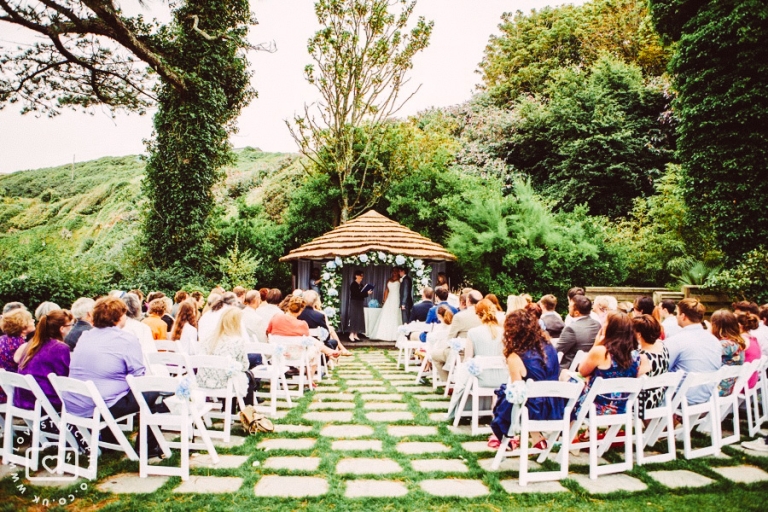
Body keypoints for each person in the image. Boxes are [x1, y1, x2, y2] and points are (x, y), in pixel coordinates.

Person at [66, 296, 168, 458]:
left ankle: (110, 441)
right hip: (99, 406)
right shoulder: (126, 339)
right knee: (155, 393)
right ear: (120, 317)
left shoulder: (86, 336)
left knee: (111, 390)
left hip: (76, 403)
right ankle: (147, 448)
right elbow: (138, 376)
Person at [490, 308, 563, 449]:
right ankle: (536, 438)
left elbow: (517, 392)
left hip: (534, 410)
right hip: (556, 405)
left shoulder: (515, 356)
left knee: (504, 394)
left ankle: (508, 438)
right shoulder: (549, 347)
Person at [571, 312, 650, 420]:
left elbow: (582, 371)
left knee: (568, 378)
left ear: (610, 328)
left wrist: (596, 344)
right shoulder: (638, 357)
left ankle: (568, 430)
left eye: (605, 323)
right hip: (623, 408)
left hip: (595, 408)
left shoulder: (600, 352)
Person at [447, 299, 507, 420]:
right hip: (503, 380)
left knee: (463, 374)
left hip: (482, 380)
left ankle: (463, 410)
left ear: (478, 314)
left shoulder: (473, 332)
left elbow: (468, 359)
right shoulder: (504, 332)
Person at [267, 295, 339, 387]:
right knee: (315, 350)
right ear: (301, 310)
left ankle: (327, 351)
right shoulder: (302, 324)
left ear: (288, 306)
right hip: (296, 356)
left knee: (311, 343)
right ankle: (310, 380)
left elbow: (268, 332)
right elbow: (306, 341)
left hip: (278, 353)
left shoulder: (276, 317)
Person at [665, 298, 722, 404]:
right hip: (708, 398)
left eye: (677, 313)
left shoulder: (676, 341)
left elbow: (663, 367)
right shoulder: (714, 340)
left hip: (682, 400)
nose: (676, 316)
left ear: (683, 316)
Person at [13, 309, 73, 411]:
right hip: (44, 401)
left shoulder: (33, 342)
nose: (72, 328)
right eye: (71, 325)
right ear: (62, 328)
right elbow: (66, 377)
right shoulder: (60, 348)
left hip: (24, 398)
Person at [196, 308, 257, 405]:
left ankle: (229, 410)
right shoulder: (237, 341)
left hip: (203, 380)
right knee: (246, 375)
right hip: (224, 383)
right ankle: (249, 411)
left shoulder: (208, 338)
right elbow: (245, 365)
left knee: (233, 373)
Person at [633, 314, 669, 419]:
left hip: (643, 403)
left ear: (638, 335)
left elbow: (630, 378)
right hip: (659, 396)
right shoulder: (662, 346)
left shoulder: (642, 357)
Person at [0, 308, 35, 403]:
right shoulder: (21, 345)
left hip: (4, 386)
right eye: (30, 319)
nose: (33, 321)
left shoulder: (2, 339)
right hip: (10, 392)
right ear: (23, 326)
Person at [557, 295, 601, 371]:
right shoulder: (597, 324)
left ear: (577, 313)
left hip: (571, 368)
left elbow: (557, 349)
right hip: (592, 366)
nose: (568, 307)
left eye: (570, 306)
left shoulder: (571, 329)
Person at [370, 268, 403, 341]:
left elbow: (402, 291)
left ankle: (394, 335)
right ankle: (383, 334)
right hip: (389, 299)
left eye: (396, 271)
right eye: (393, 271)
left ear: (398, 272)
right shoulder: (389, 280)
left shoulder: (400, 280)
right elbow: (386, 290)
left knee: (394, 315)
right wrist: (384, 300)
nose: (394, 273)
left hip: (396, 299)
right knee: (386, 314)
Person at [735, 310, 762, 389]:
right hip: (752, 380)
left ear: (739, 325)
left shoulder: (742, 340)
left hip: (743, 383)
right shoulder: (753, 338)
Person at [347, 270, 372, 342]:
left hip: (360, 302)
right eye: (361, 275)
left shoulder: (361, 285)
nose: (362, 277)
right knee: (354, 317)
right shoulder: (353, 284)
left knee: (359, 318)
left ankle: (355, 334)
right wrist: (366, 293)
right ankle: (351, 334)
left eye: (362, 276)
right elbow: (357, 294)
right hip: (354, 302)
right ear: (356, 276)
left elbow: (362, 294)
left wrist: (367, 292)